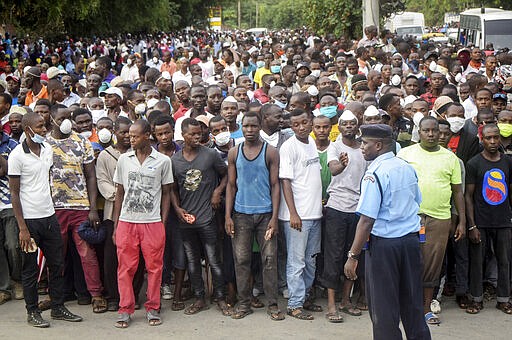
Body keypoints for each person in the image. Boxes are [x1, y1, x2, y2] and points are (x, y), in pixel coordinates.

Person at [344, 124, 431, 340]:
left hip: (384, 246)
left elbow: (366, 220)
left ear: (378, 145)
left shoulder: (374, 174)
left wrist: (353, 256)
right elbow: (416, 202)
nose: (362, 147)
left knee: (384, 309)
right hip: (410, 243)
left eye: (365, 143)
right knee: (412, 304)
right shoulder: (406, 167)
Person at [9, 112, 82, 327]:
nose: (44, 130)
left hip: (49, 217)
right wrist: (22, 228)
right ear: (28, 129)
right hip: (29, 222)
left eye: (45, 126)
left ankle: (58, 307)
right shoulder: (16, 156)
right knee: (30, 269)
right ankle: (32, 311)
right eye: (40, 127)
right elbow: (14, 194)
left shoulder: (47, 149)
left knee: (57, 263)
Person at [397, 116, 465, 325]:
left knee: (432, 266)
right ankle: (405, 306)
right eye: (426, 130)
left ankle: (425, 308)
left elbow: (457, 192)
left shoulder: (450, 157)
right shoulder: (405, 154)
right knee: (407, 262)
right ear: (419, 131)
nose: (431, 134)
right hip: (410, 217)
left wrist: (462, 221)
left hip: (439, 218)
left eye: (434, 130)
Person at [112, 119, 173, 328]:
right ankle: (125, 308)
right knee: (125, 268)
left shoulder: (163, 161)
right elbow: (119, 193)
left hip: (152, 223)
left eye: (135, 136)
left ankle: (153, 307)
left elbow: (167, 193)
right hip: (127, 222)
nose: (131, 139)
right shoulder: (123, 160)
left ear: (147, 135)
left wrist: (162, 223)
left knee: (154, 268)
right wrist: (116, 224)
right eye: (129, 135)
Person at [225, 111, 284, 321]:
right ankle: (244, 303)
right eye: (246, 126)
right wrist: (228, 216)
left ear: (260, 127)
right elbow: (231, 187)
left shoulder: (271, 152)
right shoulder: (234, 152)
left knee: (269, 260)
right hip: (241, 214)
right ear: (241, 127)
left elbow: (276, 186)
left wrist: (274, 218)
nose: (250, 130)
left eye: (253, 126)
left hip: (265, 214)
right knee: (241, 260)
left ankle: (273, 304)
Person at [170, 118, 231, 316]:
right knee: (192, 262)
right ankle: (199, 298)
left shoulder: (211, 154)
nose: (197, 137)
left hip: (208, 217)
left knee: (214, 260)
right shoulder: (175, 160)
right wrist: (177, 208)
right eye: (193, 134)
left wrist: (217, 192)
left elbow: (227, 175)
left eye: (199, 134)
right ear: (183, 135)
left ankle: (220, 298)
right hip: (187, 219)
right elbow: (171, 189)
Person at [321, 110, 367, 323]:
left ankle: (346, 300)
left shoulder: (363, 149)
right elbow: (334, 169)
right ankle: (331, 304)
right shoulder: (335, 147)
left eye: (352, 123)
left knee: (353, 254)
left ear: (357, 126)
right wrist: (343, 164)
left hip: (358, 209)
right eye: (344, 123)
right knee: (334, 255)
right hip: (337, 207)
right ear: (338, 127)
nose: (348, 126)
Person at [96, 117, 144, 312]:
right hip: (113, 214)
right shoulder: (106, 156)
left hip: (137, 213)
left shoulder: (138, 154)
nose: (127, 137)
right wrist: (120, 195)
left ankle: (134, 293)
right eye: (123, 132)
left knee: (136, 257)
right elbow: (102, 182)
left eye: (130, 133)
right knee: (112, 257)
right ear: (115, 132)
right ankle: (114, 296)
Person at [279, 109, 323, 320]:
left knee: (310, 260)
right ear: (291, 126)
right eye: (296, 124)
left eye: (304, 122)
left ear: (311, 122)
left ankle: (304, 297)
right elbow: (285, 181)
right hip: (297, 217)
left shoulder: (312, 142)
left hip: (315, 214)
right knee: (296, 262)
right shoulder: (289, 147)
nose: (301, 127)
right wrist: (293, 213)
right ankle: (294, 304)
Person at [465, 123, 512, 315]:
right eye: (488, 138)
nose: (493, 141)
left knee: (505, 261)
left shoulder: (508, 162)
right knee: (477, 261)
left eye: (496, 137)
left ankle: (503, 299)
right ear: (481, 139)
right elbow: (468, 196)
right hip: (481, 222)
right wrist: (472, 225)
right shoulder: (474, 163)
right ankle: (476, 299)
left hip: (503, 221)